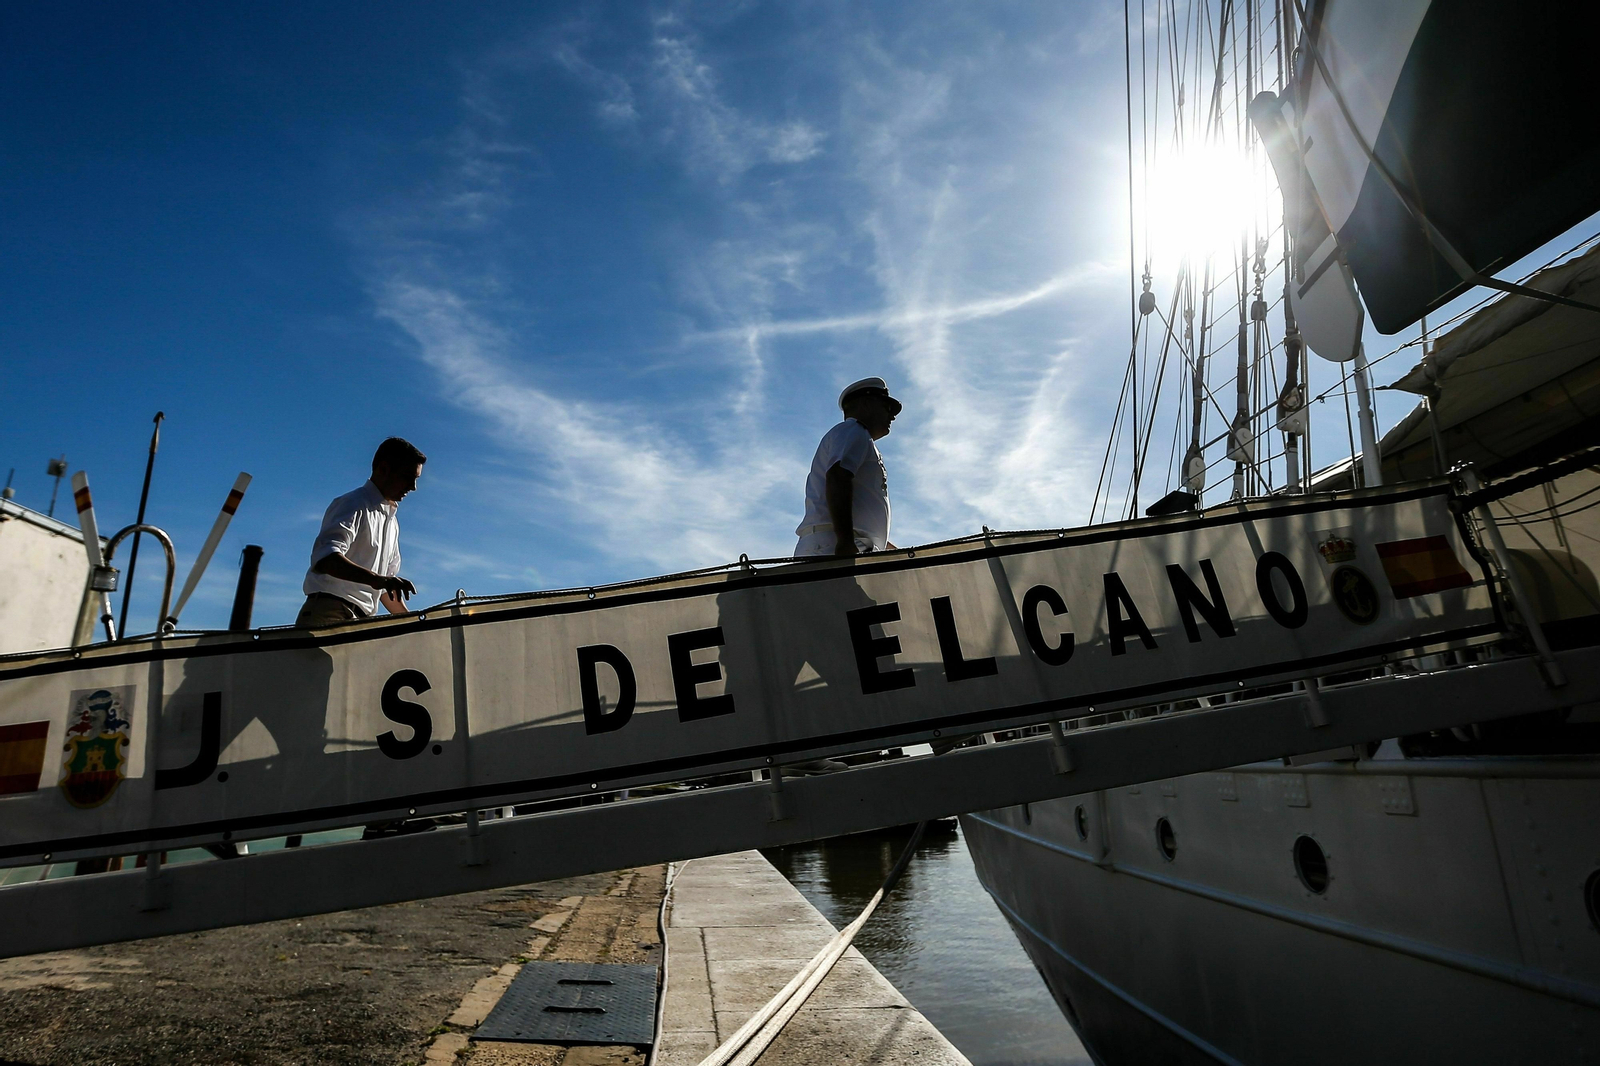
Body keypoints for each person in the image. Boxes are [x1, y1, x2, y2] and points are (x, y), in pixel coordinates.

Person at [295, 437, 425, 628]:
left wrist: (415, 624)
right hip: (329, 614)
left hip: (362, 623)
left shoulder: (392, 523)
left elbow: (384, 589)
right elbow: (325, 559)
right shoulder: (353, 503)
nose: (413, 487)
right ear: (383, 469)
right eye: (408, 477)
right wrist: (378, 580)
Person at [794, 377, 902, 559]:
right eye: (886, 407)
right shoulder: (854, 431)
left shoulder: (858, 437)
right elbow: (838, 477)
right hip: (835, 546)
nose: (892, 415)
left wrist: (893, 553)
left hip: (843, 544)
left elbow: (863, 519)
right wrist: (845, 542)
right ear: (867, 404)